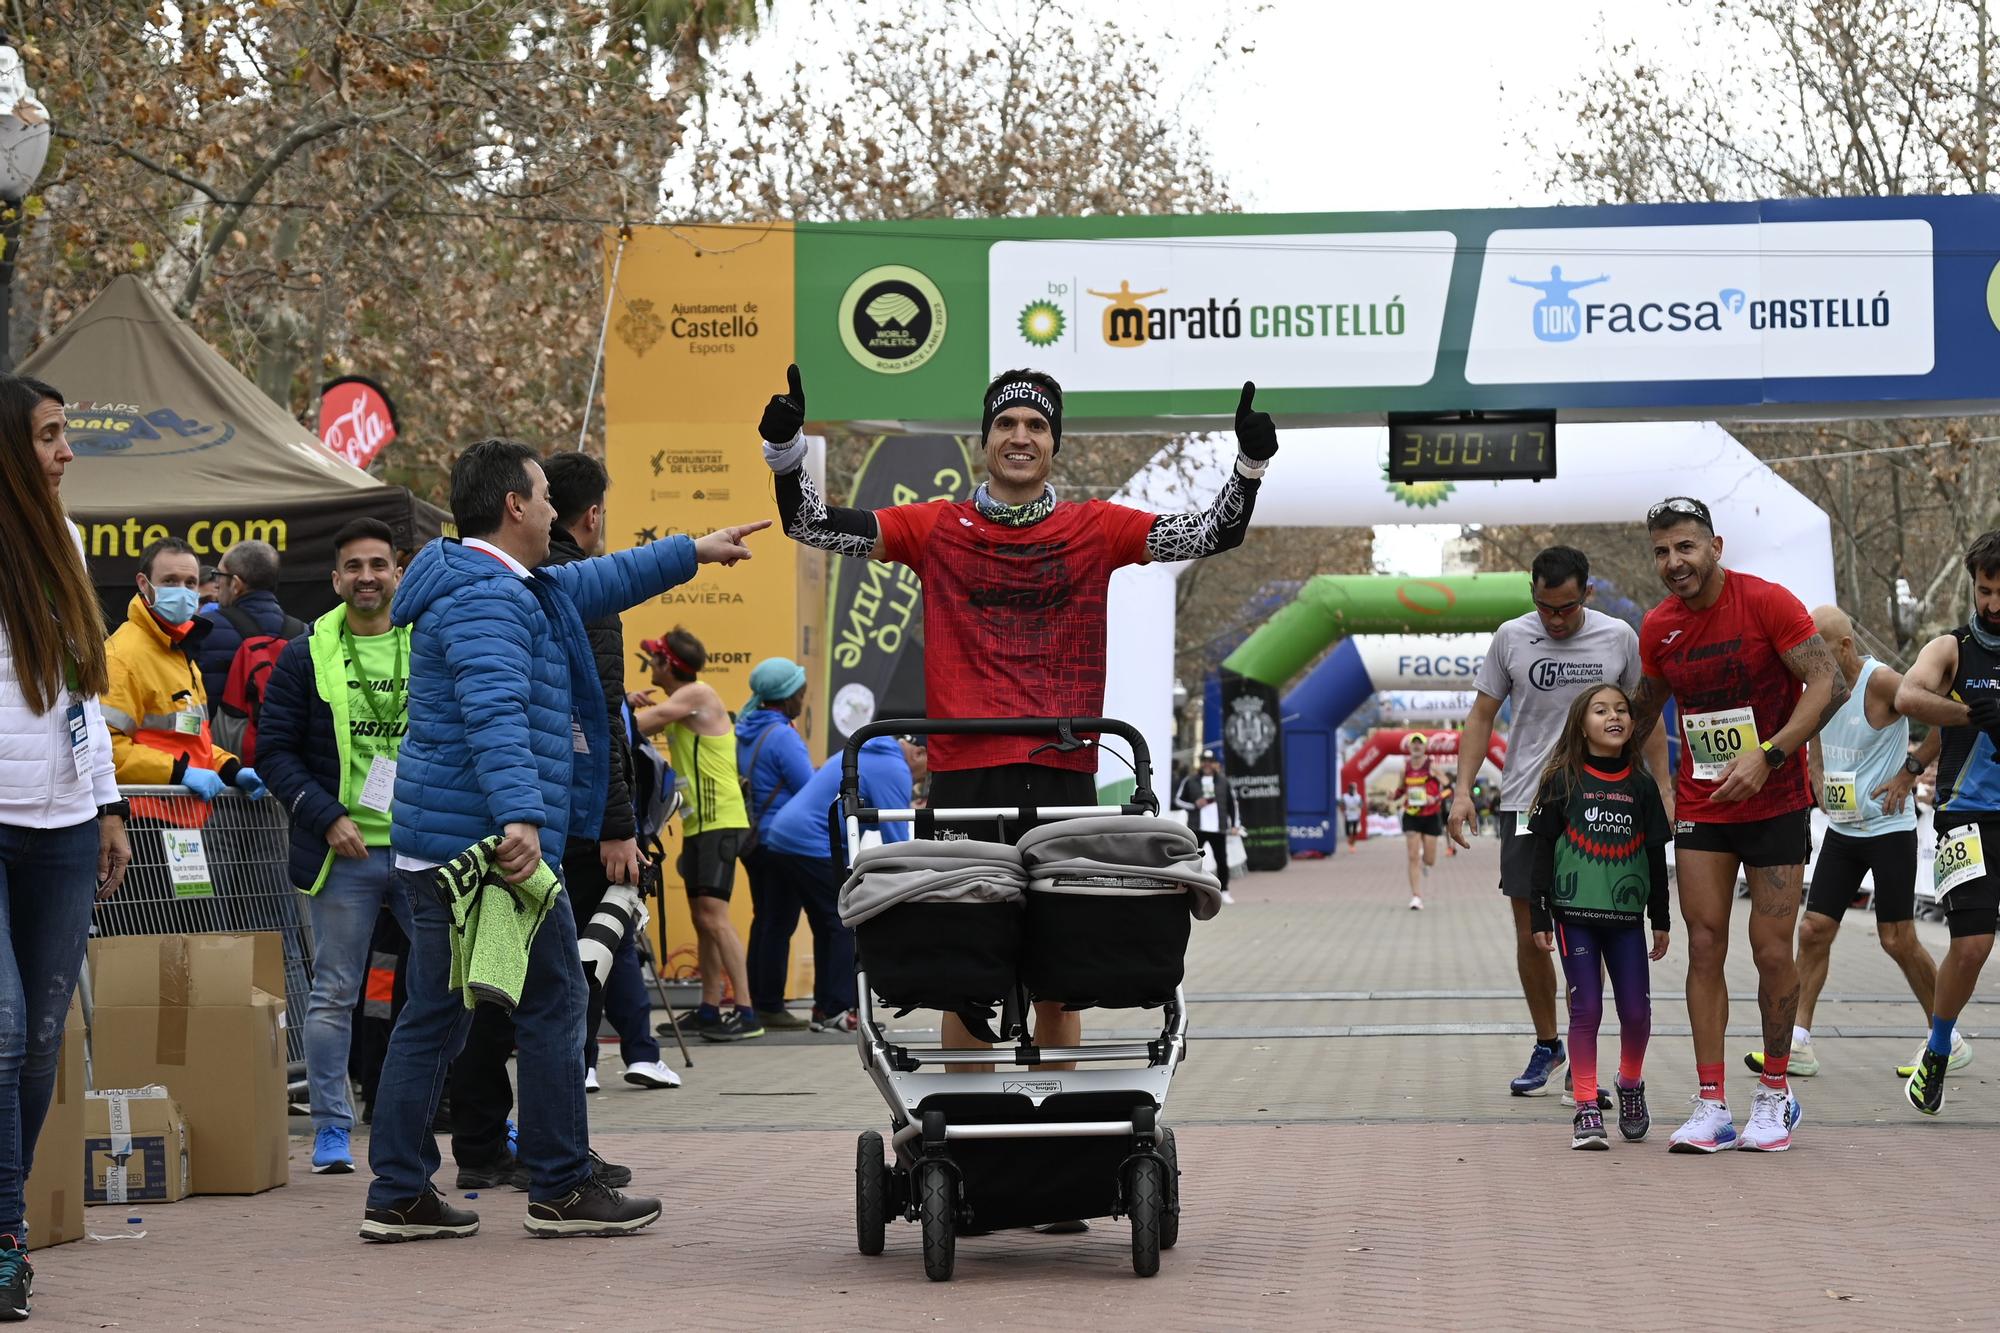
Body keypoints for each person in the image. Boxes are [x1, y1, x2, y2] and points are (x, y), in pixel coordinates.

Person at [756, 362, 1276, 1067]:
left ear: (1054, 442)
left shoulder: (1095, 526)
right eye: (1006, 423)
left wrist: (1250, 464)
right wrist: (785, 452)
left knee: (1062, 978)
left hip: (1063, 773)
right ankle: (964, 1122)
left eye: (1035, 424)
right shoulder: (935, 526)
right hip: (965, 777)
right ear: (985, 439)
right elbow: (810, 523)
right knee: (963, 978)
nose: (1020, 436)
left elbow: (1212, 532)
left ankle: (1061, 1120)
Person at [359, 438, 765, 1242]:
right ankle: (561, 1184)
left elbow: (600, 579)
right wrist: (520, 817)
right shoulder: (489, 600)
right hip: (490, 852)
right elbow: (495, 713)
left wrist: (696, 550)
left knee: (436, 1014)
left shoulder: (509, 584)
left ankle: (400, 1191)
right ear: (515, 505)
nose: (555, 512)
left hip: (447, 846)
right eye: (544, 497)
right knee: (554, 1001)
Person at [1628, 496, 1847, 1153]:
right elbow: (1643, 712)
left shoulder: (1767, 603)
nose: (1674, 562)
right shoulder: (1658, 627)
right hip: (1704, 805)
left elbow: (1828, 684)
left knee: (1772, 950)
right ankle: (1712, 1104)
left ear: (1715, 546)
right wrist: (1603, 777)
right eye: (1662, 551)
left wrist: (1771, 753)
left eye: (1685, 546)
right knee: (1703, 945)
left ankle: (1776, 1092)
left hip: (1775, 800)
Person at [0, 373, 129, 1318]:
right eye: (50, 435)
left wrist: (108, 803)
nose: (67, 452)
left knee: (44, 1038)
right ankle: (6, 1235)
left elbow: (85, 686)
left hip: (65, 826)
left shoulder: (68, 540)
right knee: (4, 1028)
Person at [1446, 544, 1665, 1097]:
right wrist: (1462, 791)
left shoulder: (1618, 636)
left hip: (1605, 800)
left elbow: (1646, 716)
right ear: (1532, 595)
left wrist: (1663, 788)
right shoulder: (1510, 637)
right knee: (1532, 930)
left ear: (1587, 593)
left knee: (1601, 920)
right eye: (1545, 607)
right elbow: (1481, 716)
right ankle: (1549, 1043)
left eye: (1567, 607)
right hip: (1528, 800)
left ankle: (1586, 1056)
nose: (1556, 619)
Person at [255, 518, 416, 1176]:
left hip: (423, 849)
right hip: (341, 853)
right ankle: (330, 1126)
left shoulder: (429, 643)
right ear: (335, 579)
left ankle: (462, 1114)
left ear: (398, 572)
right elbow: (273, 752)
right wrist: (326, 818)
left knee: (450, 987)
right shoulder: (305, 654)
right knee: (334, 993)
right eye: (354, 567)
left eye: (378, 564)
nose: (366, 577)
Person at [1744, 605, 1956, 1080]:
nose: (1808, 657)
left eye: (1816, 647)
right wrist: (1816, 769)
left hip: (1888, 830)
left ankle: (1946, 1037)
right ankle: (1798, 1041)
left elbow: (1942, 719)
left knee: (1897, 939)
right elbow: (1814, 727)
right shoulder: (1817, 684)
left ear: (1844, 646)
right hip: (1843, 829)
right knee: (1812, 930)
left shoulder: (1881, 682)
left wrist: (1910, 771)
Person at [539, 451, 677, 1087]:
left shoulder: (498, 581)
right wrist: (618, 826)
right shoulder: (585, 592)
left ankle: (586, 1067)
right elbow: (595, 724)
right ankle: (578, 1075)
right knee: (587, 951)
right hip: (573, 816)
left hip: (514, 813)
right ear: (592, 516)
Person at [1528, 685, 1671, 1150]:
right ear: (1581, 725)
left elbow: (1655, 858)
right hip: (1574, 916)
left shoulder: (1642, 786)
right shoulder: (1561, 780)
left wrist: (1661, 918)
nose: (1615, 716)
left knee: (1637, 1012)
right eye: (1601, 710)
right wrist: (1539, 914)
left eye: (1622, 710)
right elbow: (1541, 850)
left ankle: (1630, 1083)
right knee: (1586, 1008)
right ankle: (1586, 1104)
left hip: (1627, 921)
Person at [1892, 531, 2000, 1116]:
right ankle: (1938, 1048)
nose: (1994, 604)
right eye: (1985, 591)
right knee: (1973, 944)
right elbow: (1908, 697)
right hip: (1966, 816)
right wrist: (1968, 714)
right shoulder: (1952, 647)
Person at [631, 628, 760, 1042]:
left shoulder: (697, 694)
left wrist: (616, 705)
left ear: (668, 665)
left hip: (719, 821)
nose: (649, 664)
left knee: (714, 918)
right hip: (703, 823)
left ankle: (746, 1011)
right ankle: (709, 1008)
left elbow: (636, 726)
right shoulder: (685, 698)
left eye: (654, 658)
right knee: (703, 920)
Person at [758, 734, 921, 1031]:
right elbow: (897, 839)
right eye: (928, 772)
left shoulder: (861, 752)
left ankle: (775, 1005)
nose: (922, 781)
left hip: (782, 835)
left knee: (784, 925)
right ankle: (836, 1008)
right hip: (811, 841)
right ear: (919, 754)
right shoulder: (894, 767)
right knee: (843, 922)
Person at [103, 537, 268, 803]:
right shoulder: (122, 656)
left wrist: (230, 768)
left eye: (190, 583)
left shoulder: (178, 650)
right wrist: (179, 773)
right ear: (144, 584)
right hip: (145, 816)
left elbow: (191, 739)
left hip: (181, 813)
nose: (182, 591)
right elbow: (105, 749)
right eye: (170, 581)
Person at [733, 656, 815, 1030]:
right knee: (779, 923)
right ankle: (770, 1004)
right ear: (787, 696)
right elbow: (809, 790)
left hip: (752, 841)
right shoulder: (783, 737)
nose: (803, 699)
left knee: (764, 919)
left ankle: (755, 998)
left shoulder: (746, 729)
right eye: (801, 692)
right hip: (781, 843)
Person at [195, 538, 304, 709]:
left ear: (236, 585)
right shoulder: (303, 633)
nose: (217, 583)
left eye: (220, 575)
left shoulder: (204, 628)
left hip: (219, 727)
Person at [1174, 748, 1239, 905]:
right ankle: (1189, 891)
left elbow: (1232, 805)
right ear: (1201, 763)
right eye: (1204, 761)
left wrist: (1235, 824)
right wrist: (1194, 805)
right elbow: (1178, 800)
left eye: (1210, 761)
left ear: (1215, 764)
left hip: (1218, 828)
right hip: (1197, 828)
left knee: (1222, 860)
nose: (1207, 764)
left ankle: (1224, 891)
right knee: (1193, 860)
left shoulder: (1223, 781)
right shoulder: (1190, 780)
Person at [1400, 733, 1443, 909]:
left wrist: (1435, 798)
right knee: (1412, 857)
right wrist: (1392, 795)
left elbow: (1449, 788)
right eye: (1414, 744)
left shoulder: (1432, 767)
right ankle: (1416, 897)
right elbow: (1400, 789)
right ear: (1409, 747)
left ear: (1425, 747)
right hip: (1411, 815)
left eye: (1420, 743)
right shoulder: (1405, 768)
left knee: (1430, 860)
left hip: (1431, 815)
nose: (1416, 746)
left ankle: (1425, 862)